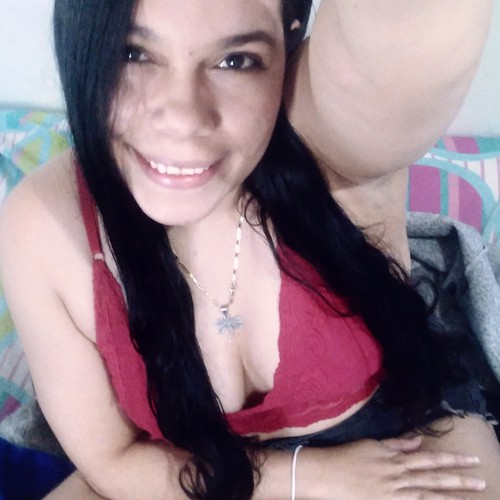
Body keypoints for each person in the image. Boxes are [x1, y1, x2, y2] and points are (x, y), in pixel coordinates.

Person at [0, 0, 499, 498]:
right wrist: (312, 478)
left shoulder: (329, 138)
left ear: (289, 34)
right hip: (181, 466)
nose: (183, 118)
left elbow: (411, 31)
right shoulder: (42, 225)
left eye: (236, 60)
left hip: (398, 433)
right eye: (133, 53)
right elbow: (113, 459)